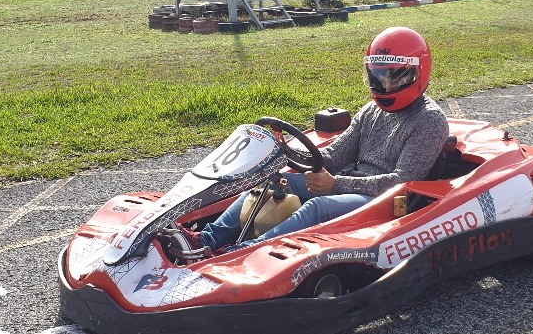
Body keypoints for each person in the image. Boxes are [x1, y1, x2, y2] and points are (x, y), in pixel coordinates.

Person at [192, 26, 450, 252]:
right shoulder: (371, 110)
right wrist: (283, 152)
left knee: (317, 206)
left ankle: (245, 251)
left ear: (417, 73)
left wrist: (335, 184)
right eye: (379, 77)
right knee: (272, 183)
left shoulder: (429, 120)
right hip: (349, 184)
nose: (386, 86)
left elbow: (403, 181)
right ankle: (206, 240)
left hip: (386, 200)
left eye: (395, 77)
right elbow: (333, 156)